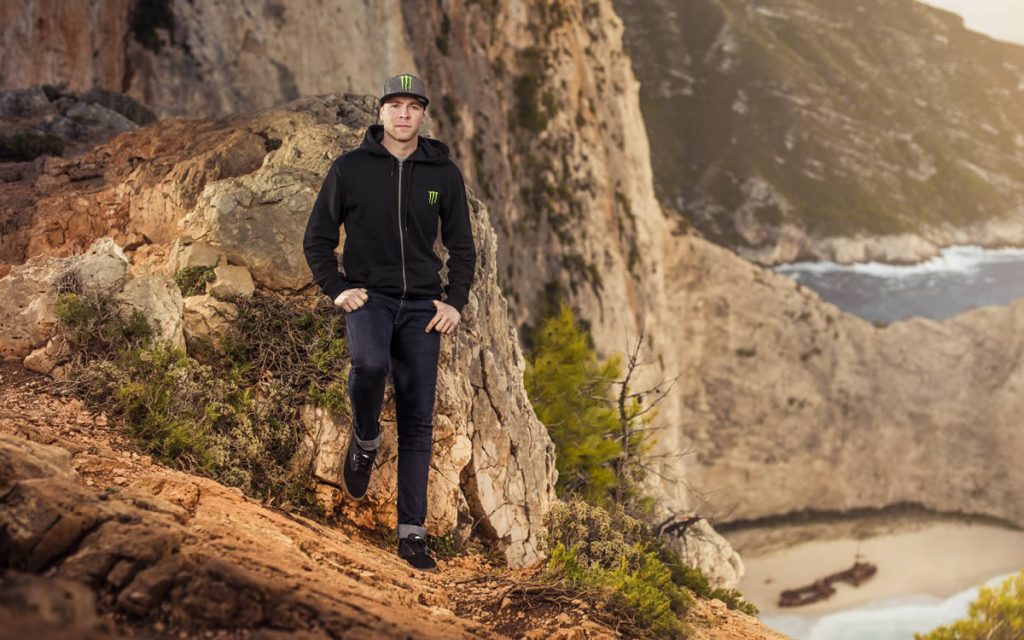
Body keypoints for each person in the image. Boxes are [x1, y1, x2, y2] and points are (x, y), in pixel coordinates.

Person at [302, 74, 476, 571]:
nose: (403, 114)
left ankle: (412, 533)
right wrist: (337, 288)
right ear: (381, 112)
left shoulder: (443, 174)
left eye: (412, 106)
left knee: (418, 419)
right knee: (370, 365)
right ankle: (365, 438)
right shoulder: (350, 168)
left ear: (423, 114)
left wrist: (454, 302)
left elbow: (463, 248)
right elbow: (317, 238)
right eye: (394, 105)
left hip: (423, 307)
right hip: (370, 298)